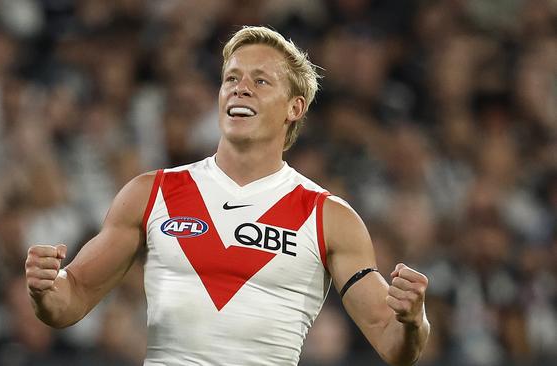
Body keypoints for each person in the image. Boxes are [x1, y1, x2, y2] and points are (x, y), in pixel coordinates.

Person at [25, 26, 430, 365]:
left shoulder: (328, 217)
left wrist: (414, 321)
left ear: (294, 107)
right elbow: (72, 298)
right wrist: (47, 288)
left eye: (260, 80)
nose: (241, 89)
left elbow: (392, 342)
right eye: (232, 78)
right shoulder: (151, 193)